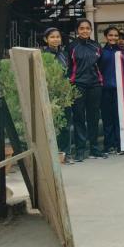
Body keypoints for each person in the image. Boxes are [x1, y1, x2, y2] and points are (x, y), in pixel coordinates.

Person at [67, 19, 104, 161]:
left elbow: (100, 65)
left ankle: (95, 148)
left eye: (87, 28)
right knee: (79, 118)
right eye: (82, 28)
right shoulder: (72, 46)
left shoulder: (96, 46)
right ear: (77, 30)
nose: (84, 31)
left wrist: (99, 81)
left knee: (93, 117)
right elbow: (69, 66)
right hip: (78, 85)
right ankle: (80, 150)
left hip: (95, 85)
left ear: (91, 30)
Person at [42, 27, 73, 162]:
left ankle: (65, 153)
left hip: (64, 94)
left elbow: (70, 72)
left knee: (65, 124)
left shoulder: (64, 54)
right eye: (52, 37)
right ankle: (51, 154)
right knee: (52, 124)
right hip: (50, 94)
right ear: (46, 39)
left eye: (58, 37)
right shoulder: (43, 56)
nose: (56, 39)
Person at [98, 26, 122, 155]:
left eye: (116, 35)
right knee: (107, 119)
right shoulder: (101, 52)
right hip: (105, 90)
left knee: (118, 118)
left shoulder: (123, 52)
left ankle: (119, 144)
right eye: (111, 35)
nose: (113, 38)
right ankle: (109, 145)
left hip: (120, 90)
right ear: (106, 37)